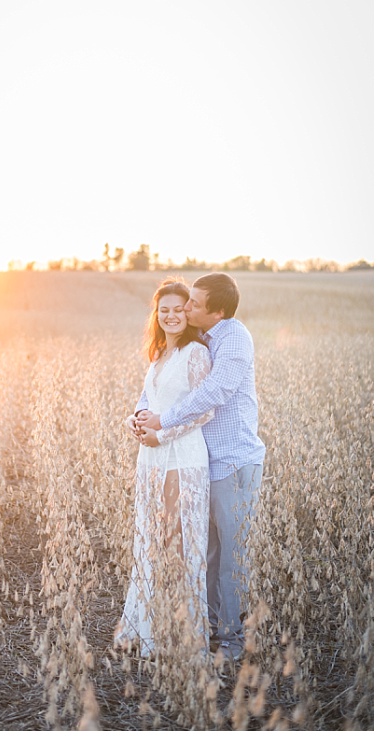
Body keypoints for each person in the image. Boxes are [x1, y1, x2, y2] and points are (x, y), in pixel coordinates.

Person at [133, 272, 264, 661]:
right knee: (206, 552)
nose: (185, 308)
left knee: (230, 556)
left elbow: (215, 391)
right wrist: (143, 417)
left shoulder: (234, 337)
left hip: (234, 460)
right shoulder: (200, 339)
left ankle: (232, 640)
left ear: (216, 311)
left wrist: (164, 421)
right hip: (201, 461)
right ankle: (205, 627)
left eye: (192, 303)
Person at [115, 279, 212, 656]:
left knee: (175, 541)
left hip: (181, 455)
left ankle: (180, 633)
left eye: (177, 309)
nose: (170, 315)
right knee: (152, 538)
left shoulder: (195, 353)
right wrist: (133, 421)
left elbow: (205, 410)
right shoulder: (158, 355)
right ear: (156, 315)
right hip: (151, 454)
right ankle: (148, 625)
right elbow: (146, 402)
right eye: (163, 309)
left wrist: (163, 434)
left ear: (188, 313)